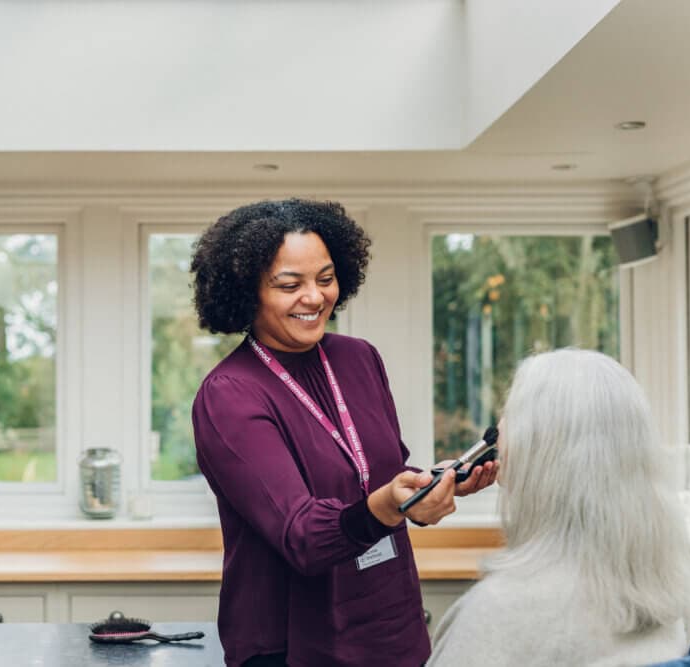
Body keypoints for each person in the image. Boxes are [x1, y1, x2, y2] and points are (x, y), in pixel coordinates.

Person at [190, 199, 497, 667]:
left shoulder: (360, 359)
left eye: (326, 279)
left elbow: (375, 478)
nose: (314, 297)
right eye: (289, 284)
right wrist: (389, 504)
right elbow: (302, 537)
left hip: (389, 627)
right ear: (247, 292)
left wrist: (427, 486)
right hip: (291, 644)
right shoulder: (229, 395)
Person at [428, 349, 690, 666]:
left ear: (538, 456)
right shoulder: (658, 599)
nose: (499, 431)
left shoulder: (495, 613)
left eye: (510, 415)